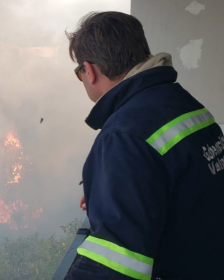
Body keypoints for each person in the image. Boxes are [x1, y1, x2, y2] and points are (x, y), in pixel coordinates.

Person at [65, 11, 224, 280]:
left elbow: (112, 268)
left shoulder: (125, 136)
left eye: (79, 73)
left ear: (89, 71)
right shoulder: (181, 102)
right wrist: (112, 189)